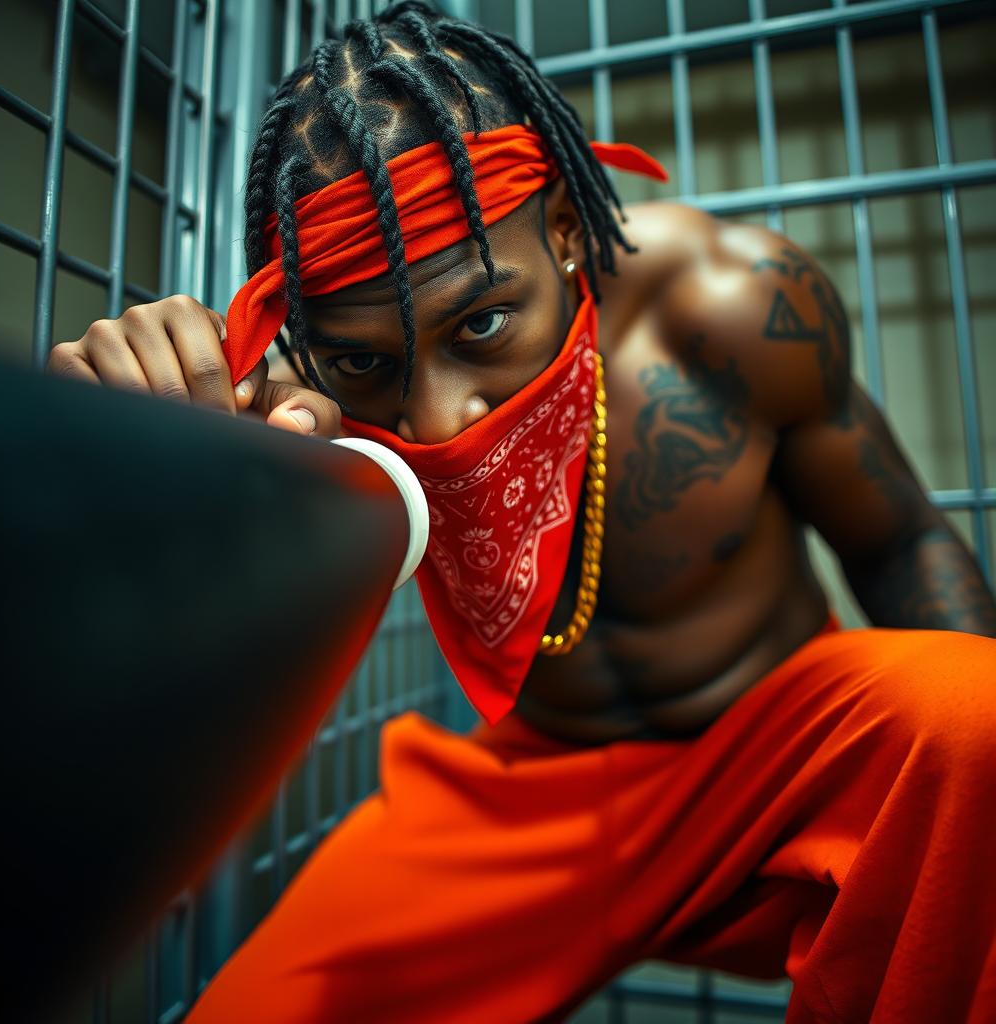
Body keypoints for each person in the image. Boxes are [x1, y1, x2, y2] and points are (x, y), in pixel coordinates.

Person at [49, 3, 996, 1021]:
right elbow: (178, 642)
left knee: (979, 720)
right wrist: (118, 453)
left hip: (777, 753)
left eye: (483, 321)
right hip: (534, 794)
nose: (438, 413)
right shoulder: (300, 400)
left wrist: (968, 823)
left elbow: (897, 537)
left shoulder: (726, 305)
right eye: (370, 357)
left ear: (563, 231)